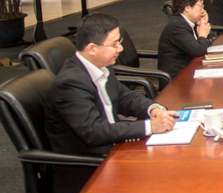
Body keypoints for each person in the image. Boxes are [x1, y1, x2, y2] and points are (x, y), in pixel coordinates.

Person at [45, 13, 178, 157]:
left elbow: (124, 97)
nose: (120, 49)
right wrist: (150, 126)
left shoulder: (101, 65)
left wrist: (153, 109)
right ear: (92, 49)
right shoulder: (70, 84)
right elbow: (94, 132)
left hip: (114, 143)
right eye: (114, 44)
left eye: (119, 42)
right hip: (93, 160)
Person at [158, 0, 213, 78]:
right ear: (187, 8)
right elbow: (198, 51)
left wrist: (202, 25)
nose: (203, 10)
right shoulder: (177, 26)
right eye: (200, 6)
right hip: (177, 79)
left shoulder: (188, 22)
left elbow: (206, 46)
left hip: (189, 69)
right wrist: (203, 35)